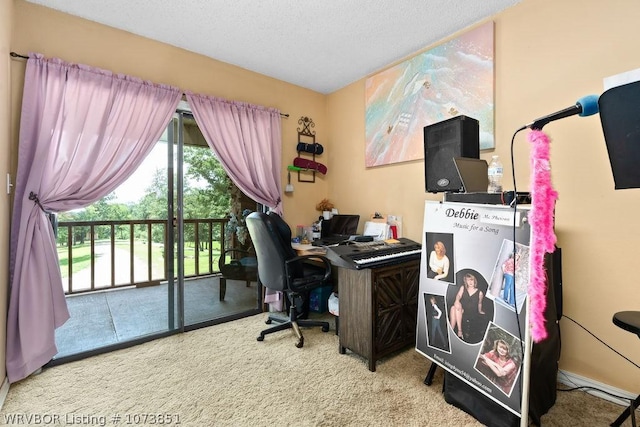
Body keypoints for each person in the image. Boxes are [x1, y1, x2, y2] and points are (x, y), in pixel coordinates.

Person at [449, 272, 485, 340]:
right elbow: (458, 295)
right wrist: (457, 301)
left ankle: (452, 331)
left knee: (454, 308)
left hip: (471, 313)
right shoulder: (463, 288)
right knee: (454, 307)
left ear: (474, 280)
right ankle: (458, 331)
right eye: (468, 280)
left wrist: (480, 311)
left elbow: (480, 303)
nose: (470, 282)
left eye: (471, 280)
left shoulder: (480, 293)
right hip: (462, 309)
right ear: (465, 281)